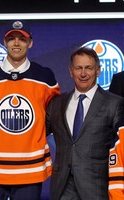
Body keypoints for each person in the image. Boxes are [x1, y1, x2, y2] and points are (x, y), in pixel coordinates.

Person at [0, 20, 60, 200]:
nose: (16, 43)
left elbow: (54, 115)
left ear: (30, 43)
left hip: (30, 169)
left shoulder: (45, 77)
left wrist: (39, 135)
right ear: (4, 42)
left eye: (22, 39)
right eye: (11, 38)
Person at [46, 46, 124, 200]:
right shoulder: (56, 103)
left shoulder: (115, 103)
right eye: (78, 68)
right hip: (62, 187)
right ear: (70, 71)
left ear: (98, 70)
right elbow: (35, 134)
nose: (83, 74)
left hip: (96, 188)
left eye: (88, 68)